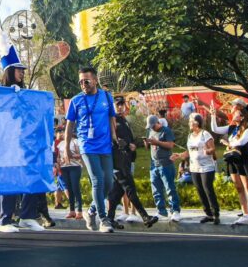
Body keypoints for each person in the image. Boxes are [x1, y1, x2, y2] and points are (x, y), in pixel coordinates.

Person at [0, 37, 45, 233]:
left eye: (23, 70)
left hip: (24, 143)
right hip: (6, 145)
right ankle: (5, 219)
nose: (23, 73)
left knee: (33, 176)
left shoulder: (25, 93)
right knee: (9, 180)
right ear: (9, 71)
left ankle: (27, 216)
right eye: (19, 69)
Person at [66, 67, 118, 233]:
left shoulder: (106, 97)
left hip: (105, 145)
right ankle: (104, 220)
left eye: (86, 80)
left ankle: (92, 210)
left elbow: (111, 117)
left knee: (109, 182)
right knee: (98, 180)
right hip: (87, 145)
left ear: (95, 80)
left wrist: (114, 136)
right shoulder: (76, 100)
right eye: (81, 81)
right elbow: (69, 125)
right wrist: (67, 147)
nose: (83, 84)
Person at [106, 98, 158, 229]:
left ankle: (110, 219)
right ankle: (145, 216)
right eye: (117, 105)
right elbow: (115, 140)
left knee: (116, 193)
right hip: (118, 162)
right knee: (130, 188)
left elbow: (128, 140)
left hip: (125, 160)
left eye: (122, 105)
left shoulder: (124, 121)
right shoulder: (113, 122)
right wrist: (126, 145)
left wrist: (132, 145)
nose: (120, 107)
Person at [210, 102, 248, 226]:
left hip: (244, 160)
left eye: (236, 113)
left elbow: (241, 142)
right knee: (239, 187)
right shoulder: (232, 127)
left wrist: (227, 143)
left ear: (242, 116)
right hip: (233, 160)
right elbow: (215, 129)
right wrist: (212, 115)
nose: (233, 114)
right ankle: (245, 214)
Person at [171, 113, 218, 224]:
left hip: (206, 167)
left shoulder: (205, 134)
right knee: (200, 190)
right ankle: (208, 214)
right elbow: (189, 152)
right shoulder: (190, 136)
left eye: (190, 121)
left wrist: (208, 151)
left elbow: (213, 148)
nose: (189, 123)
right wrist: (179, 155)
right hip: (194, 168)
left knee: (208, 189)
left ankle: (216, 213)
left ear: (196, 123)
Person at [145, 115, 180, 222]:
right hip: (154, 164)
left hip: (165, 164)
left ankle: (175, 211)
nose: (151, 128)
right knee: (156, 189)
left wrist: (157, 142)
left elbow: (170, 145)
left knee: (170, 187)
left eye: (153, 126)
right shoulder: (150, 131)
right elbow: (149, 148)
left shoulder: (166, 131)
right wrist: (147, 143)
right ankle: (161, 211)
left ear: (157, 123)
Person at [57, 126, 84, 219]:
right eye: (62, 132)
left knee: (75, 187)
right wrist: (59, 163)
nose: (63, 134)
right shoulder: (60, 144)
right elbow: (58, 156)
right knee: (69, 189)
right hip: (64, 167)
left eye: (65, 132)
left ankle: (79, 210)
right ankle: (72, 210)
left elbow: (80, 155)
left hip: (75, 166)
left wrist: (71, 155)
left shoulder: (76, 142)